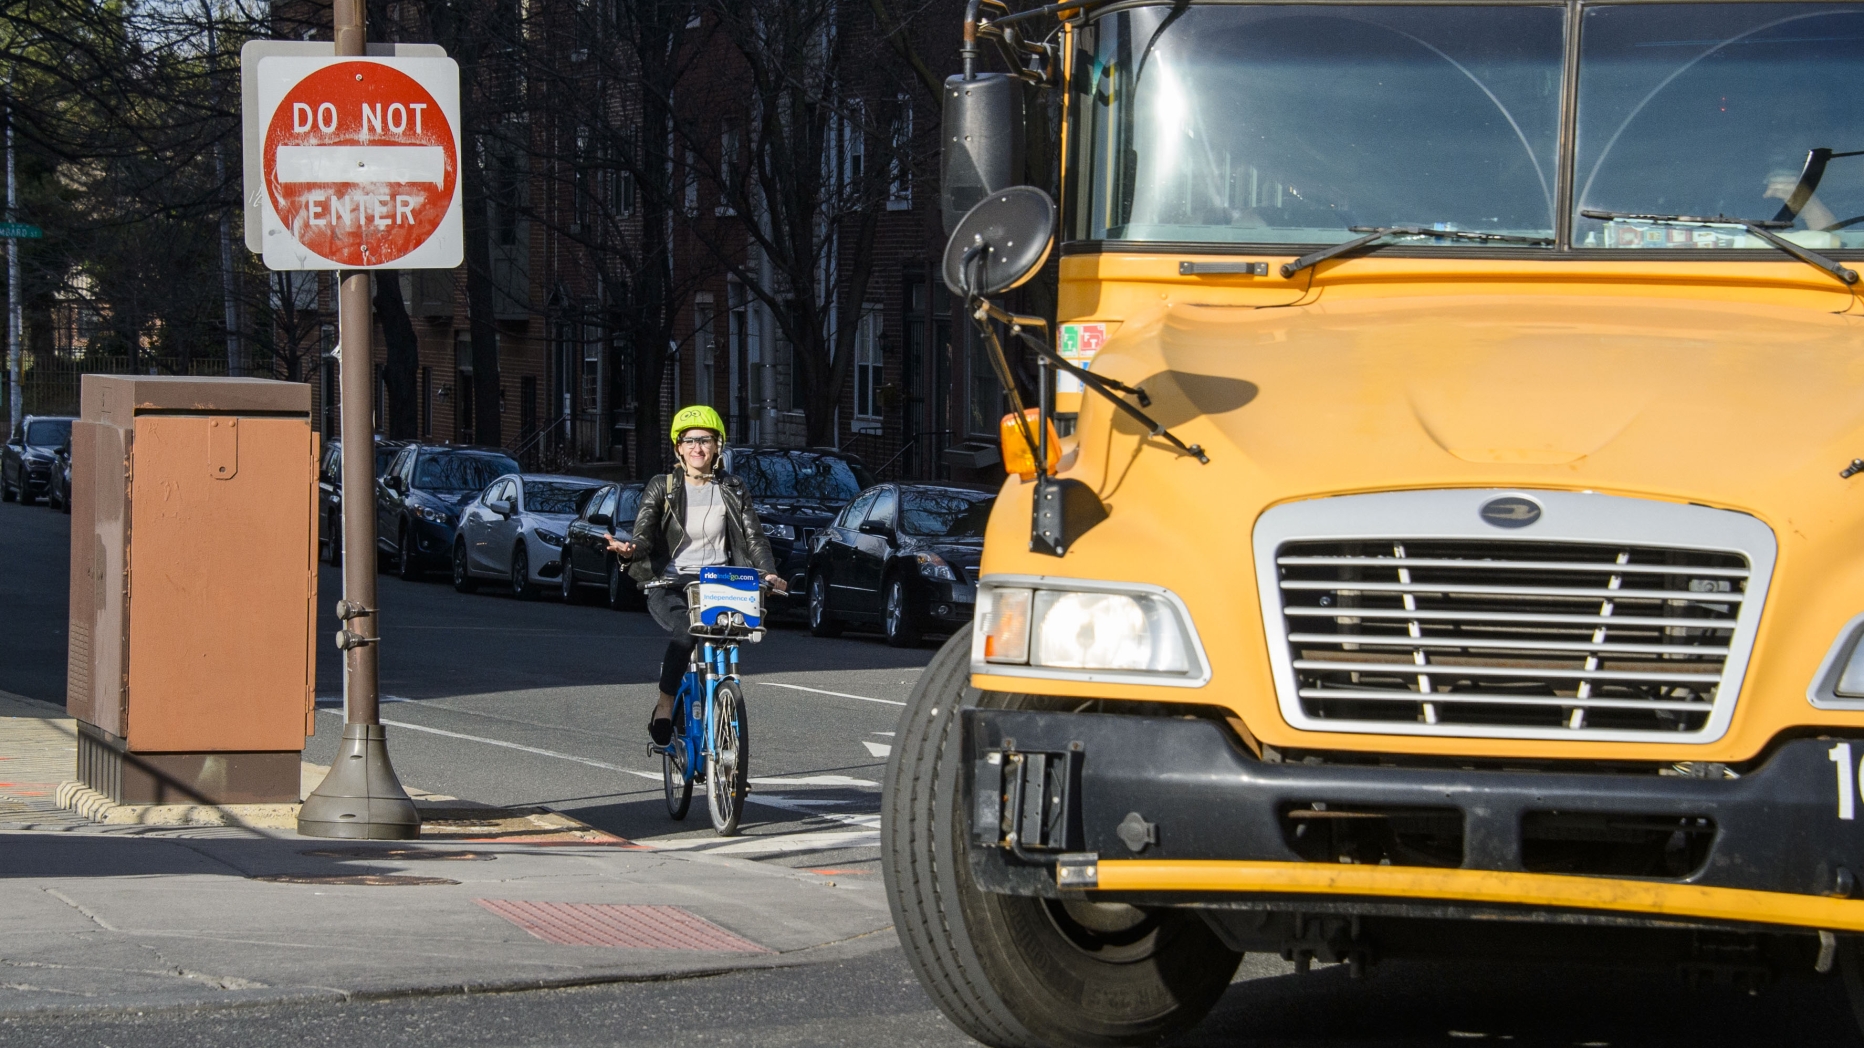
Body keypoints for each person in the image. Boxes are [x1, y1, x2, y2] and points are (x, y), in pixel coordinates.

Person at [606, 405, 787, 745]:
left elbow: (754, 538)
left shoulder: (733, 487)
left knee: (734, 634)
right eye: (689, 441)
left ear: (718, 446)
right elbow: (644, 534)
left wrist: (769, 574)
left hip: (719, 585)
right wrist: (631, 549)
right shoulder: (663, 486)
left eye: (706, 440)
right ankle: (665, 704)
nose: (698, 448)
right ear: (678, 448)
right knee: (686, 633)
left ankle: (724, 701)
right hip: (670, 584)